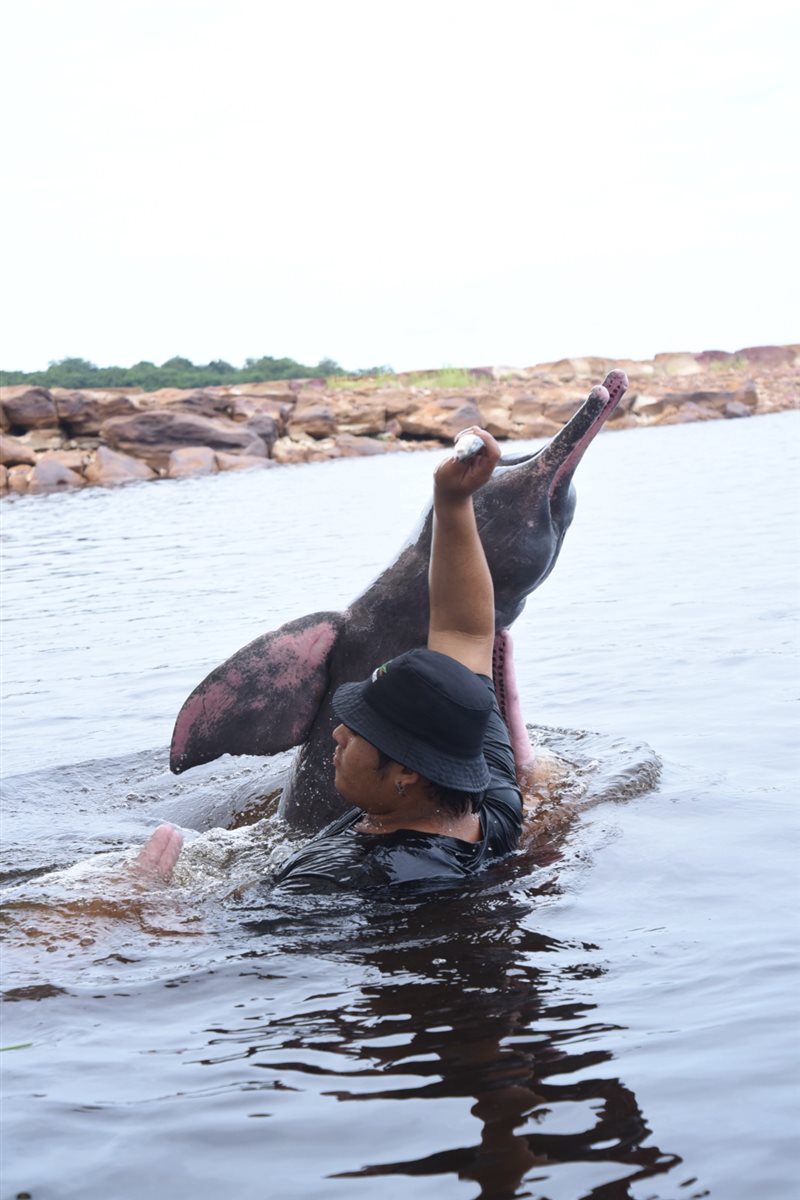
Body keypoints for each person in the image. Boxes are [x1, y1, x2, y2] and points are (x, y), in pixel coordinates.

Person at [139, 427, 527, 891]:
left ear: (407, 771)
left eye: (360, 730)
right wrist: (452, 500)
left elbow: (219, 948)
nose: (337, 733)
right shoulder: (491, 801)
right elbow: (463, 631)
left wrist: (145, 898)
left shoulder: (339, 876)